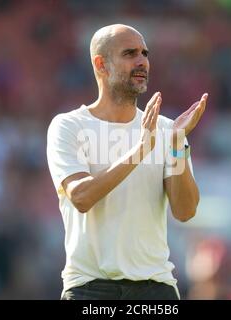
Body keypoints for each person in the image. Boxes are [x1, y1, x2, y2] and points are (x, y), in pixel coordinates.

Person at [46, 24, 208, 300]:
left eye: (145, 53)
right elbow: (81, 196)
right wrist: (141, 149)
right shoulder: (68, 126)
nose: (142, 61)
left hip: (156, 288)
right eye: (130, 53)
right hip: (91, 289)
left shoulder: (168, 130)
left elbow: (185, 211)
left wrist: (177, 145)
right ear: (101, 64)